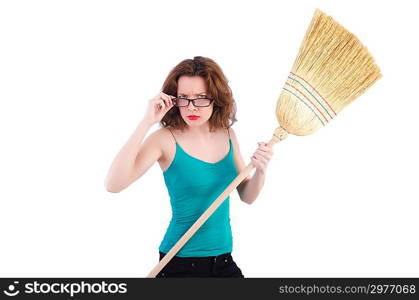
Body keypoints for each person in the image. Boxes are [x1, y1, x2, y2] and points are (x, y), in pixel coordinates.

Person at [105, 56, 274, 277]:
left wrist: (261, 169)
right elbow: (113, 184)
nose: (191, 107)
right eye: (184, 98)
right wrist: (146, 122)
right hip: (180, 261)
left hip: (223, 259)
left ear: (216, 98)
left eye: (201, 97)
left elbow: (246, 196)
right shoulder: (164, 139)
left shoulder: (227, 134)